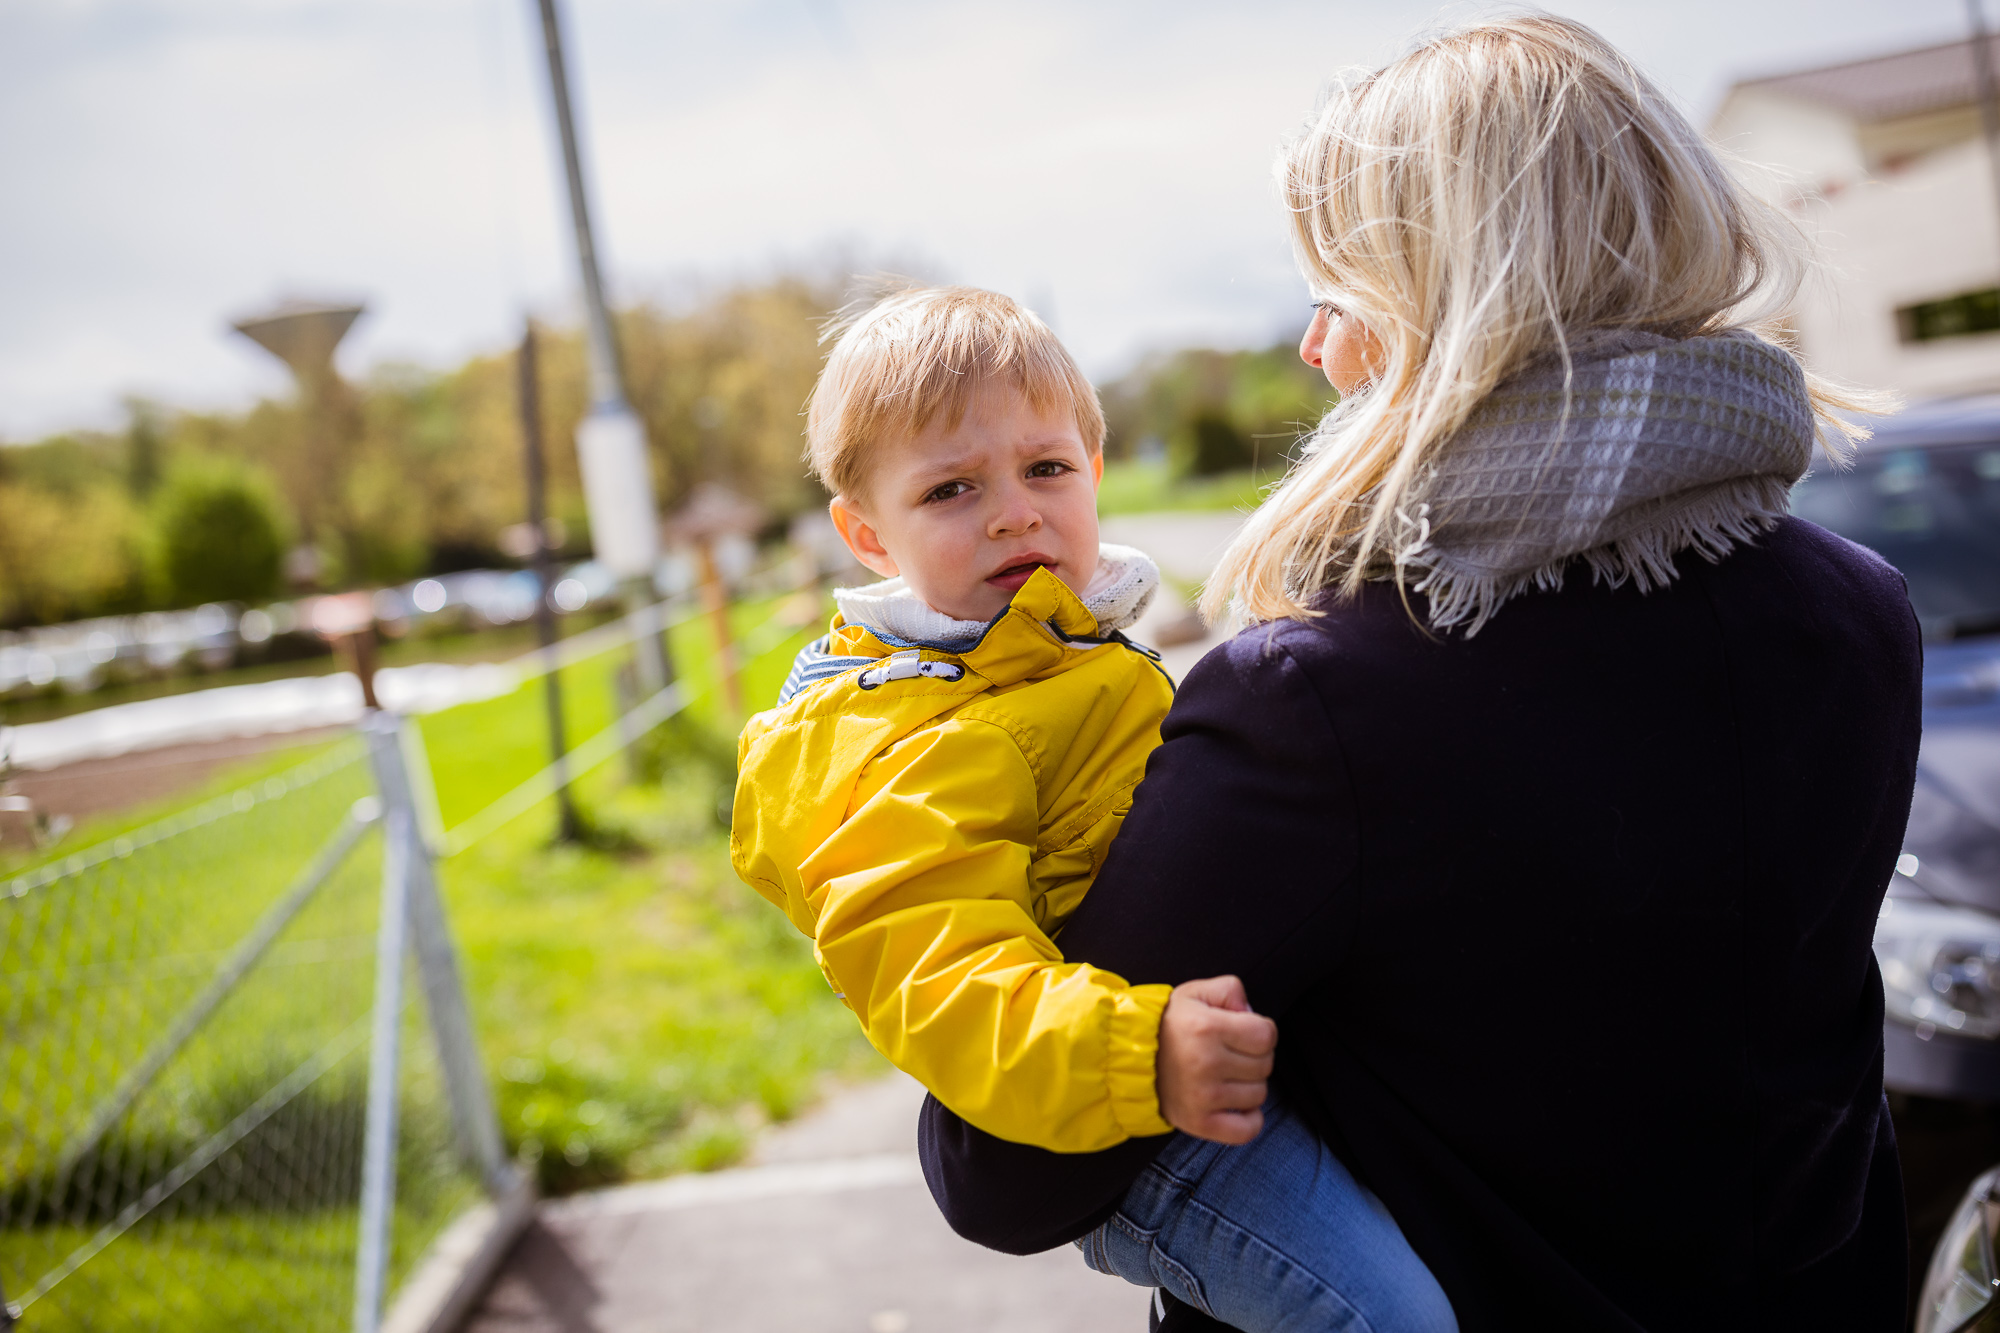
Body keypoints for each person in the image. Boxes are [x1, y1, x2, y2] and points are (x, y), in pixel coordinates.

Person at [917, 16, 1922, 1332]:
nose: (1315, 349)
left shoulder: (1321, 698)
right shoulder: (1860, 609)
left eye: (1337, 295)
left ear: (1447, 309)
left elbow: (1003, 1169)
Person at [731, 284, 1455, 1332]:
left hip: (1197, 1060)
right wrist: (1134, 1053)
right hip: (1147, 1134)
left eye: (1045, 468)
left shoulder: (1051, 642)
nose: (1015, 509)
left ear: (1093, 470)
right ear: (867, 535)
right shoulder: (908, 737)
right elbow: (942, 981)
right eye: (949, 490)